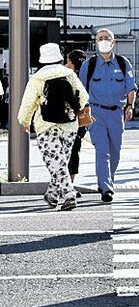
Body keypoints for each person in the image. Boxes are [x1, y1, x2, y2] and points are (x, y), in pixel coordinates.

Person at [17, 42, 89, 211]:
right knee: (61, 161)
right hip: (70, 125)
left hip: (46, 125)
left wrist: (24, 121)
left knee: (56, 162)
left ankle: (69, 194)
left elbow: (28, 103)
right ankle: (52, 195)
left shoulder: (37, 78)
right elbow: (84, 96)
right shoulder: (69, 74)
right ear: (59, 58)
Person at [78, 28, 137, 202]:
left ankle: (108, 179)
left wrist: (130, 106)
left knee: (115, 151)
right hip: (96, 113)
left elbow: (131, 87)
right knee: (102, 150)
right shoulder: (88, 65)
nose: (103, 40)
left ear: (113, 42)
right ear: (96, 42)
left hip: (116, 113)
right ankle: (106, 187)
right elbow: (81, 90)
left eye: (106, 38)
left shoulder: (123, 63)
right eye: (100, 38)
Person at [65, 49, 88, 189]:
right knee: (75, 150)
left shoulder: (65, 75)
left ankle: (64, 183)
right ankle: (71, 183)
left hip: (64, 117)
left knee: (62, 151)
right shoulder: (86, 76)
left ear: (69, 61)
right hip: (80, 119)